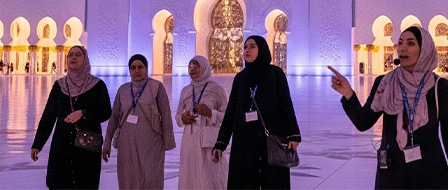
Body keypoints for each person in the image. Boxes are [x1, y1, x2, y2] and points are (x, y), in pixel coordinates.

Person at [330, 25, 448, 189]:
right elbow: (363, 122)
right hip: (392, 175)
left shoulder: (440, 87)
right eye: (400, 43)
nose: (402, 48)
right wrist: (349, 95)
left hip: (430, 175)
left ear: (424, 50)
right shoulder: (385, 83)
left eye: (411, 43)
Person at [213, 36, 301, 189]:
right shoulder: (240, 78)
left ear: (262, 49)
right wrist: (221, 142)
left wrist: (293, 134)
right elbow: (231, 111)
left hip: (270, 137)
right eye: (245, 47)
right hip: (245, 140)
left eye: (252, 46)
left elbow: (286, 104)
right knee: (245, 179)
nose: (247, 50)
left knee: (272, 179)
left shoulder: (275, 74)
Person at [31, 45, 113, 189]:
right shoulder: (60, 85)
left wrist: (84, 113)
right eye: (70, 55)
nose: (73, 57)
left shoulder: (97, 85)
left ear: (85, 59)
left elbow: (106, 111)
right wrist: (38, 144)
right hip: (61, 146)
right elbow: (48, 116)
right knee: (59, 183)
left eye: (78, 55)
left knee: (84, 183)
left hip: (86, 148)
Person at [102, 54, 176, 189]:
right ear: (129, 70)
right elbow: (114, 117)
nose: (137, 71)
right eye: (133, 67)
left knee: (151, 176)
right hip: (127, 141)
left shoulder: (156, 87)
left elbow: (165, 115)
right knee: (129, 175)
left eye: (140, 67)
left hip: (151, 141)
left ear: (146, 69)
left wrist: (168, 142)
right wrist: (107, 142)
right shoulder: (123, 89)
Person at [178, 55, 229, 190]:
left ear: (205, 67)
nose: (192, 69)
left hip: (210, 139)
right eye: (190, 66)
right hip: (190, 139)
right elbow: (178, 116)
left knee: (211, 175)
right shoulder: (186, 90)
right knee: (190, 173)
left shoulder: (217, 89)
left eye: (196, 65)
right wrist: (182, 118)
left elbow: (228, 118)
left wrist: (211, 113)